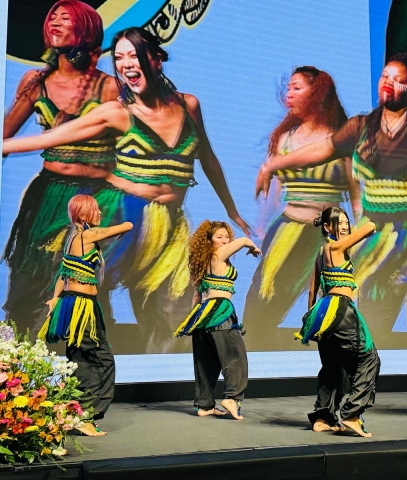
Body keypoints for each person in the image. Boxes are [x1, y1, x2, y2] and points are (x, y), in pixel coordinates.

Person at [3, 27, 251, 353]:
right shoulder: (117, 111)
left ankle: (160, 380)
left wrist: (231, 209)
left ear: (157, 59)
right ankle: (41, 372)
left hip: (168, 226)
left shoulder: (189, 105)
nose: (125, 64)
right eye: (118, 57)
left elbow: (207, 156)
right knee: (73, 295)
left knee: (172, 310)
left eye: (133, 54)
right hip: (118, 215)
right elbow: (44, 140)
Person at [257, 53, 407, 347]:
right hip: (375, 241)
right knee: (371, 328)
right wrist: (274, 164)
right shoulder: (360, 127)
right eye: (385, 77)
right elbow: (323, 149)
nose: (389, 83)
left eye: (398, 80)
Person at [3, 0, 119, 334]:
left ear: (85, 29)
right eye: (52, 16)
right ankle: (18, 365)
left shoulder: (110, 87)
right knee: (28, 279)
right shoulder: (35, 80)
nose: (54, 22)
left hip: (94, 198)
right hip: (48, 194)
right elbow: (6, 133)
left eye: (65, 18)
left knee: (83, 282)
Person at [243, 66, 357, 350]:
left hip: (324, 237)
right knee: (263, 298)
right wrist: (260, 228)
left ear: (317, 93)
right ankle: (255, 356)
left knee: (325, 302)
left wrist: (359, 233)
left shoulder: (340, 138)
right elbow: (275, 191)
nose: (288, 93)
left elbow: (356, 193)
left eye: (296, 87)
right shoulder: (286, 139)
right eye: (288, 87)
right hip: (287, 229)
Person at [40, 195, 132, 436]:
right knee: (101, 360)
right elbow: (127, 225)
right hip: (83, 306)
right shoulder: (88, 235)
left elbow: (63, 272)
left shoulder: (73, 239)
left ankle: (73, 415)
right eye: (96, 210)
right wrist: (115, 232)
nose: (100, 213)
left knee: (80, 359)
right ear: (83, 214)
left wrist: (55, 297)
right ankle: (87, 416)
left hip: (73, 304)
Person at [297, 206, 380, 437]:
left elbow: (312, 292)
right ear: (327, 227)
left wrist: (312, 321)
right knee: (369, 358)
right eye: (339, 223)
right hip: (340, 310)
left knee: (333, 367)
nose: (344, 226)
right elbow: (371, 227)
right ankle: (352, 413)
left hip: (324, 314)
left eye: (346, 222)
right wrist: (369, 228)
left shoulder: (321, 253)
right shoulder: (335, 246)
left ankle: (323, 418)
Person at [174, 221, 260, 420]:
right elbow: (244, 240)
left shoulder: (204, 261)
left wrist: (195, 319)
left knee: (207, 362)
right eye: (219, 237)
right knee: (235, 356)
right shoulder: (217, 255)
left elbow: (197, 295)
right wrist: (251, 245)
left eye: (226, 236)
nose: (224, 240)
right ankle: (232, 397)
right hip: (219, 311)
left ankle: (204, 405)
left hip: (204, 314)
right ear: (209, 240)